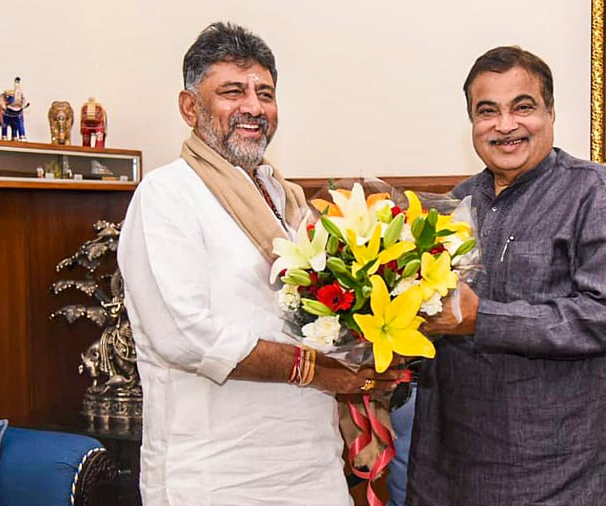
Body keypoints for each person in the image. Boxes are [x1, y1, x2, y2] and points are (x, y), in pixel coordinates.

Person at [117, 22, 400, 505]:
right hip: (215, 475)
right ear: (190, 107)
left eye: (264, 93)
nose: (253, 107)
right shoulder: (167, 194)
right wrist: (316, 371)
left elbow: (326, 319)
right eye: (232, 92)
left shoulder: (287, 200)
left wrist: (375, 343)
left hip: (312, 465)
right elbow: (185, 335)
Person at [406, 46, 606, 505]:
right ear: (472, 123)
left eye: (522, 107)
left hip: (570, 467)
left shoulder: (592, 191)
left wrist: (482, 319)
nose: (505, 125)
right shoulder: (455, 205)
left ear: (550, 113)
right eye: (487, 111)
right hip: (459, 463)